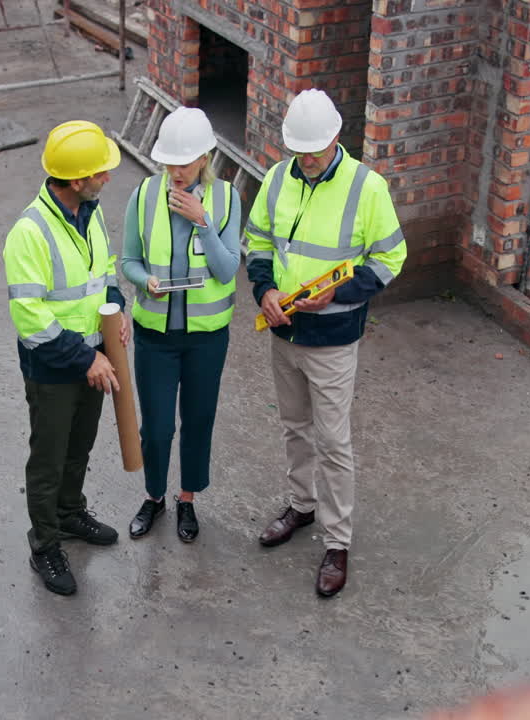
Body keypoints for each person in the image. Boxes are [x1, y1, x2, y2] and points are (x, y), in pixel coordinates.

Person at [245, 89, 407, 597]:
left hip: (333, 339)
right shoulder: (276, 178)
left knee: (334, 443)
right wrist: (264, 290)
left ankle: (337, 543)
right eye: (299, 151)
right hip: (284, 332)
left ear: (337, 138)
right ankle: (301, 506)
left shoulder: (368, 189)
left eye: (313, 150)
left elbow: (390, 259)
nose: (306, 160)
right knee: (294, 427)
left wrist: (340, 291)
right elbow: (259, 243)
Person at [2, 120, 131, 596]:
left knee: (80, 445)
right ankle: (45, 544)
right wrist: (86, 359)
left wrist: (117, 307)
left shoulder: (90, 211)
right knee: (49, 457)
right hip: (54, 366)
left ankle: (71, 513)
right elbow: (30, 319)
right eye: (101, 171)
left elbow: (104, 270)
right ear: (76, 179)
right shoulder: (29, 233)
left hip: (91, 353)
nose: (107, 178)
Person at [120, 107, 241, 543]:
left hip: (207, 339)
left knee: (198, 419)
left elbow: (227, 271)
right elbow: (127, 261)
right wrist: (143, 280)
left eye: (184, 162)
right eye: (169, 161)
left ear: (205, 158)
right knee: (155, 426)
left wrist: (203, 221)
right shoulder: (144, 195)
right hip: (155, 336)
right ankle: (154, 497)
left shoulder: (226, 198)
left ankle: (186, 500)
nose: (175, 171)